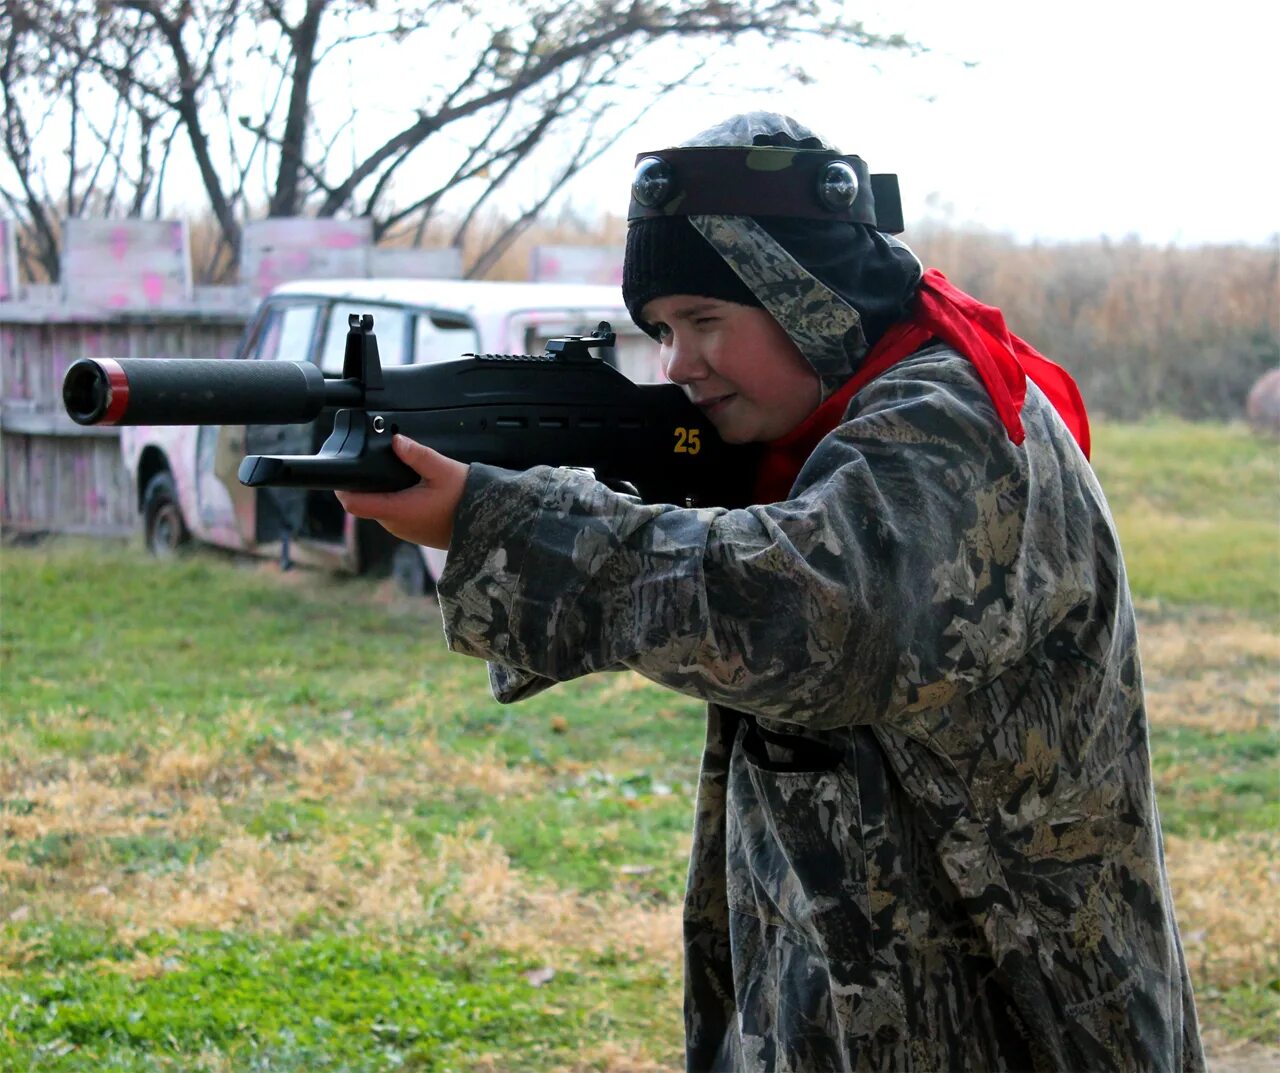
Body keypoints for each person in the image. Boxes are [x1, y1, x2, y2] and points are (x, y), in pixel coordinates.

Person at [337, 113, 1205, 1073]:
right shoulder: (812, 439)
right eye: (662, 330)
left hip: (1013, 1018)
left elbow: (809, 617)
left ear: (812, 299)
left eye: (707, 321)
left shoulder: (953, 418)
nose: (677, 364)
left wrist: (502, 525)